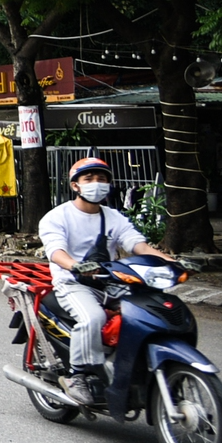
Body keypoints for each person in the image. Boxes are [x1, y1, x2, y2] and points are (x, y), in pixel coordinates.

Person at [38, 157, 172, 407]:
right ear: (75, 185)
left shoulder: (113, 217)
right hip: (73, 284)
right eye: (88, 179)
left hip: (111, 283)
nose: (96, 184)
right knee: (93, 318)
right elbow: (56, 251)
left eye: (101, 179)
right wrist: (74, 265)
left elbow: (138, 245)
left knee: (150, 313)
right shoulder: (57, 217)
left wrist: (172, 262)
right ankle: (76, 376)